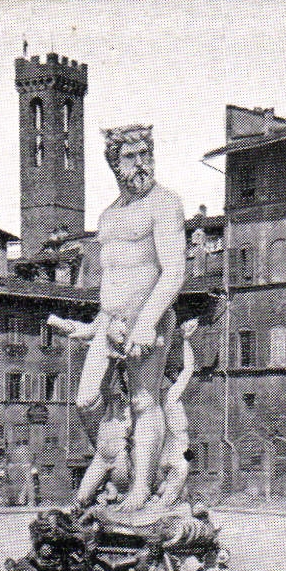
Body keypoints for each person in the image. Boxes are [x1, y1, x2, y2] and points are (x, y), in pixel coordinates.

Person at [51, 124, 186, 513]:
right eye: (131, 157)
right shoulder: (107, 217)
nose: (141, 164)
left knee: (144, 401)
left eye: (147, 155)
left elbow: (174, 271)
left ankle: (141, 488)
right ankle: (114, 461)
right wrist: (92, 326)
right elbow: (112, 281)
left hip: (149, 319)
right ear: (114, 163)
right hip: (110, 323)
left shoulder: (165, 203)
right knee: (86, 400)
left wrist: (147, 321)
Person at [153, 318, 199, 508]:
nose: (176, 376)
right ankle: (163, 505)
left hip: (165, 453)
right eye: (174, 374)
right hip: (177, 450)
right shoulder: (171, 396)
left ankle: (166, 498)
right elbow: (189, 369)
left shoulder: (156, 400)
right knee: (182, 470)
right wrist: (186, 341)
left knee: (179, 479)